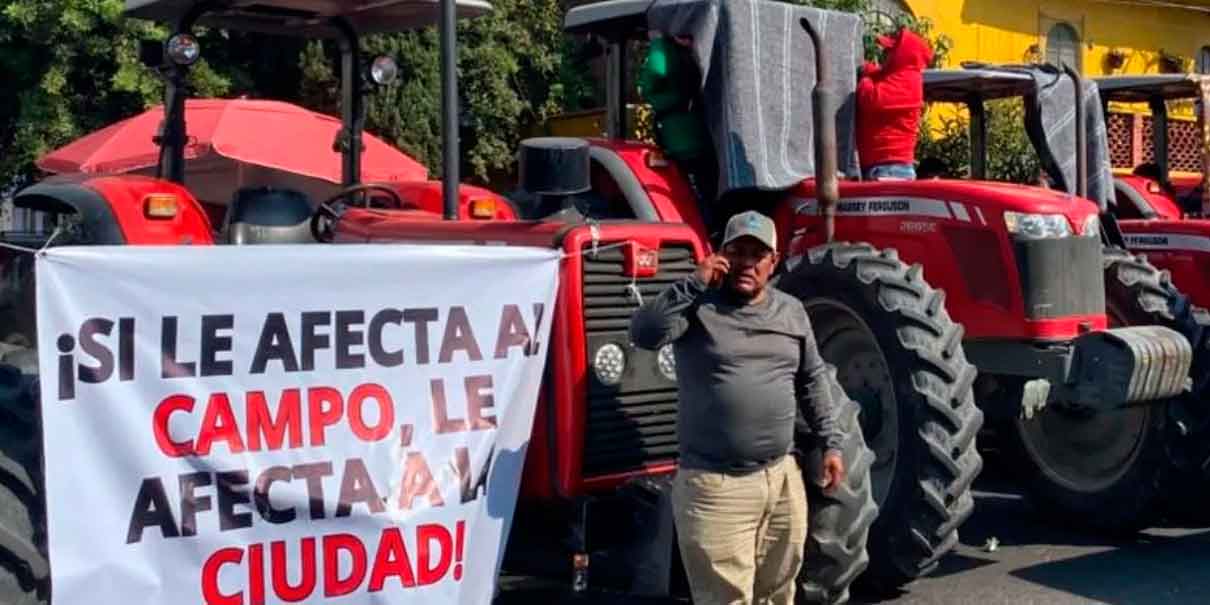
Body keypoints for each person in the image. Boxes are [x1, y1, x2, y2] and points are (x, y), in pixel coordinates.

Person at [629, 210, 845, 605]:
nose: (747, 262)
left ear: (772, 261)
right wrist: (694, 282)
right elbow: (644, 333)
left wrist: (831, 442)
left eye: (757, 254)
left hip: (781, 478)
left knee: (778, 593)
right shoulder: (698, 308)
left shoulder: (790, 311)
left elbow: (812, 379)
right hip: (716, 486)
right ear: (721, 255)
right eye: (737, 251)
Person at [856, 27, 933, 181]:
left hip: (891, 169)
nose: (885, 55)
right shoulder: (897, 75)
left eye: (890, 51)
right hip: (883, 167)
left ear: (903, 56)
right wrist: (867, 70)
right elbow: (877, 74)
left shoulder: (908, 81)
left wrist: (864, 79)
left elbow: (870, 99)